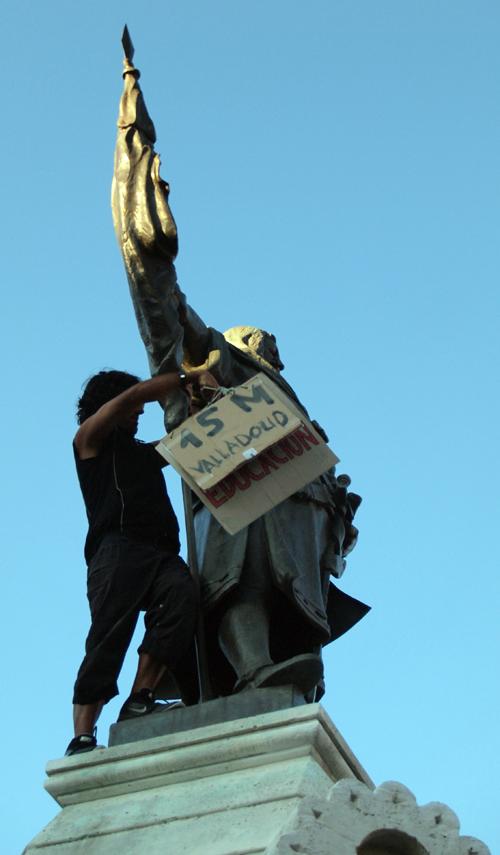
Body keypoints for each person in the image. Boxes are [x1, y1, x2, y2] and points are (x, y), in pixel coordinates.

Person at [111, 49, 370, 702]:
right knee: (241, 577)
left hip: (296, 506)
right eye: (260, 346)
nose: (269, 354)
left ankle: (279, 677)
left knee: (291, 593)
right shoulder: (220, 362)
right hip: (238, 489)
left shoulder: (285, 396)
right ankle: (252, 667)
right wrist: (148, 231)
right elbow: (168, 312)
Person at [66, 369, 198, 756]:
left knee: (181, 595)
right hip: (117, 551)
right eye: (134, 405)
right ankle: (82, 736)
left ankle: (141, 698)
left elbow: (184, 443)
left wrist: (198, 405)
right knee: (108, 636)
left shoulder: (141, 454)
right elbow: (131, 397)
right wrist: (183, 376)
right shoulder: (88, 441)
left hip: (160, 553)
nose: (140, 411)